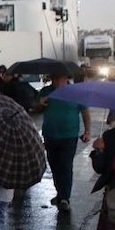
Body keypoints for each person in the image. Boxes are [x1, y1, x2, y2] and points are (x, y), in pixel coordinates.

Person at [34, 73, 92, 211]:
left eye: (58, 77)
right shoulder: (46, 91)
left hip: (69, 135)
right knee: (54, 166)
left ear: (66, 78)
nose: (56, 80)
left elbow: (85, 112)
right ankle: (60, 193)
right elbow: (36, 109)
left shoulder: (76, 92)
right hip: (50, 134)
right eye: (54, 78)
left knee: (65, 165)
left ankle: (65, 197)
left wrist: (88, 131)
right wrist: (40, 103)